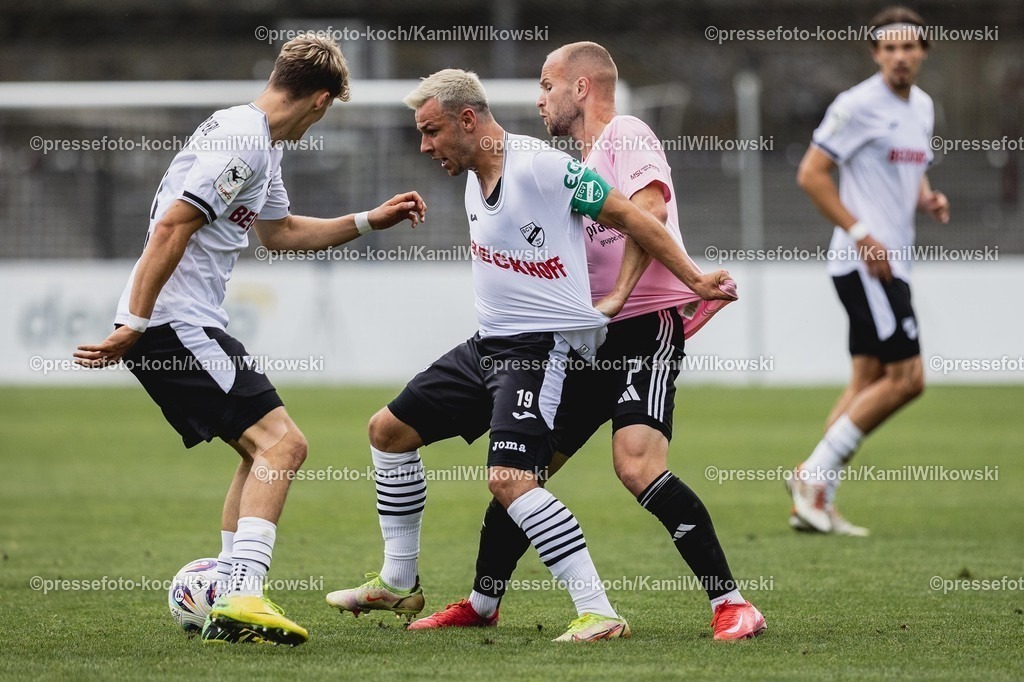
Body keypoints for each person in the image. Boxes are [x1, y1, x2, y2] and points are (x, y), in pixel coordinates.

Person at [325, 68, 736, 642]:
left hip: (538, 352)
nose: (424, 146)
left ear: (467, 120)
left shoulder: (543, 167)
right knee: (387, 431)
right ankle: (400, 580)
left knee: (514, 478)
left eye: (431, 131)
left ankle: (599, 611)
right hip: (486, 347)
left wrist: (691, 279)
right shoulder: (474, 177)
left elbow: (634, 214)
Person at [73, 36, 426, 646]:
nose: (319, 124)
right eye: (326, 113)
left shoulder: (257, 143)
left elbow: (282, 233)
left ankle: (230, 594)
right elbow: (172, 227)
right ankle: (241, 594)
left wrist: (372, 220)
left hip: (182, 323)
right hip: (175, 324)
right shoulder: (243, 140)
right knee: (284, 446)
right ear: (319, 100)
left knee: (258, 450)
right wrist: (133, 321)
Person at [789, 6, 949, 535]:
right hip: (867, 265)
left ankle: (813, 502)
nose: (900, 57)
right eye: (890, 48)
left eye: (909, 47)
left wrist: (926, 199)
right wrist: (862, 234)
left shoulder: (922, 107)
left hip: (891, 260)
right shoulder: (855, 105)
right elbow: (811, 175)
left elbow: (910, 171)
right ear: (876, 54)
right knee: (908, 379)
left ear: (923, 51)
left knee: (868, 379)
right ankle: (811, 476)